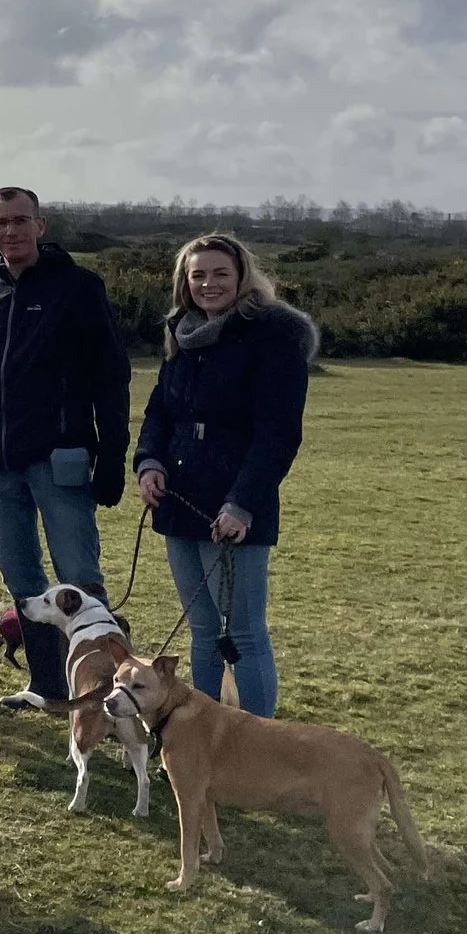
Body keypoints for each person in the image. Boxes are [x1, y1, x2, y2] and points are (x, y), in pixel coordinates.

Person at [0, 186, 132, 711]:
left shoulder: (79, 287)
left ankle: (108, 695)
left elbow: (112, 375)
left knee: (80, 577)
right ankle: (48, 687)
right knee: (24, 581)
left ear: (41, 225)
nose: (11, 231)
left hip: (61, 458)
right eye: (0, 224)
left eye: (21, 221)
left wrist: (112, 454)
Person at [135, 232, 317, 719]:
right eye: (198, 275)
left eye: (220, 274)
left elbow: (278, 434)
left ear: (242, 277)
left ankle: (259, 742)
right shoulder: (182, 332)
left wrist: (242, 503)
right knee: (201, 629)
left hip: (234, 506)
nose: (208, 284)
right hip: (180, 499)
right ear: (184, 281)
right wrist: (148, 462)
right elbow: (160, 411)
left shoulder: (273, 338)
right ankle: (206, 736)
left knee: (244, 633)